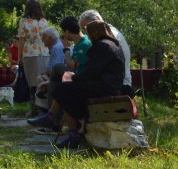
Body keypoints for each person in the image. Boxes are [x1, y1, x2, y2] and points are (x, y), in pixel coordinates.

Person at [28, 20, 125, 148]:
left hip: (104, 86)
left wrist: (75, 78)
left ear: (95, 33)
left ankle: (57, 122)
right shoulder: (111, 44)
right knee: (65, 89)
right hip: (108, 84)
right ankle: (56, 121)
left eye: (89, 33)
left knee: (64, 89)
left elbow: (92, 70)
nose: (88, 36)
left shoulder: (103, 46)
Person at [79, 10, 133, 97]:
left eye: (86, 28)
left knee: (69, 89)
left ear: (96, 20)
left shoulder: (107, 37)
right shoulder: (109, 32)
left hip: (118, 84)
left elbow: (95, 68)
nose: (86, 33)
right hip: (113, 82)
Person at [17, 0, 50, 117]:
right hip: (45, 53)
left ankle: (34, 108)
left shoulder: (24, 21)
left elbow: (21, 40)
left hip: (30, 53)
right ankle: (43, 107)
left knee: (32, 83)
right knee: (43, 80)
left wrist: (19, 57)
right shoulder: (44, 21)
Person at [34, 26, 65, 132]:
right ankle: (47, 113)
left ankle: (48, 116)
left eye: (43, 38)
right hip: (61, 75)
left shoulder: (56, 48)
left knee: (46, 81)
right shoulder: (56, 46)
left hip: (61, 77)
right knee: (43, 79)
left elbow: (53, 70)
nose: (42, 41)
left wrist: (46, 74)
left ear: (49, 38)